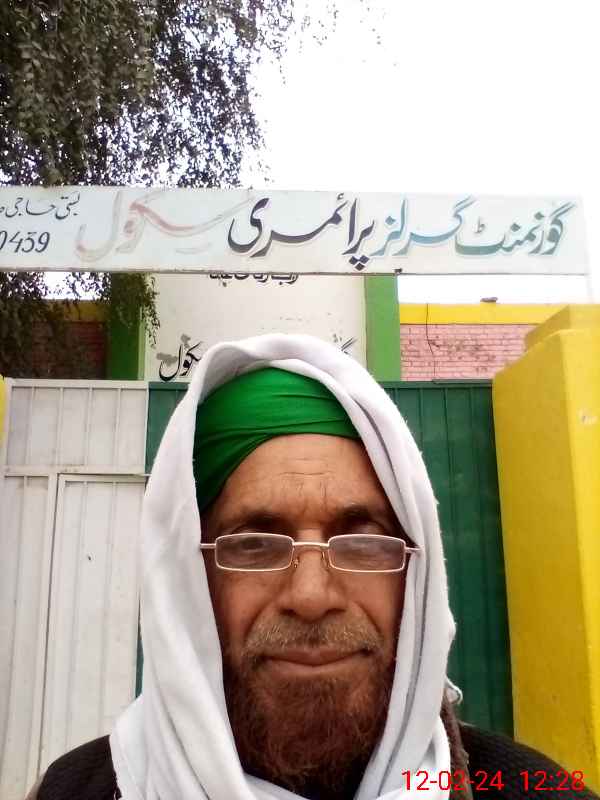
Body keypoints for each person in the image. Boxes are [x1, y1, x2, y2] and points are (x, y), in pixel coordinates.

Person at [27, 334, 597, 800]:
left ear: (416, 578)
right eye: (254, 544)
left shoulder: (530, 788)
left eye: (363, 541)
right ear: (187, 582)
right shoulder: (77, 790)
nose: (311, 595)